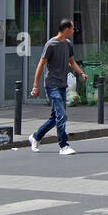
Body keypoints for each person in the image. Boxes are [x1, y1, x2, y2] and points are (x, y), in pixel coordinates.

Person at [29, 18, 86, 155]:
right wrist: (35, 86)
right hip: (52, 85)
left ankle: (36, 137)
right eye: (72, 28)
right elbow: (41, 64)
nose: (74, 30)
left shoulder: (68, 44)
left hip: (62, 84)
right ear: (66, 29)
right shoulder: (51, 44)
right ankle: (63, 145)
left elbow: (72, 62)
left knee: (56, 117)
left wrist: (81, 73)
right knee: (61, 115)